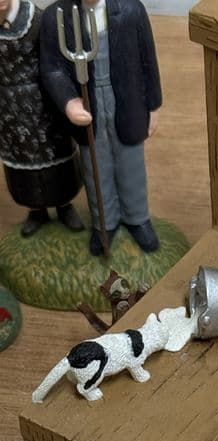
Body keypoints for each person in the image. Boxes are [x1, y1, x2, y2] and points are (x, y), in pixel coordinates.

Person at [40, 0, 162, 256]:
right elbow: (52, 69)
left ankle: (137, 218)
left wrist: (153, 106)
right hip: (89, 105)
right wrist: (69, 101)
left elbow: (148, 60)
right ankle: (104, 222)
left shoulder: (131, 10)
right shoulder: (56, 17)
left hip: (127, 102)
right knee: (96, 165)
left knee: (131, 162)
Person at [0, 0, 83, 236]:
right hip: (8, 111)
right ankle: (36, 210)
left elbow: (54, 62)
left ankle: (64, 206)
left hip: (43, 105)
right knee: (21, 159)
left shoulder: (36, 20)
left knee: (55, 153)